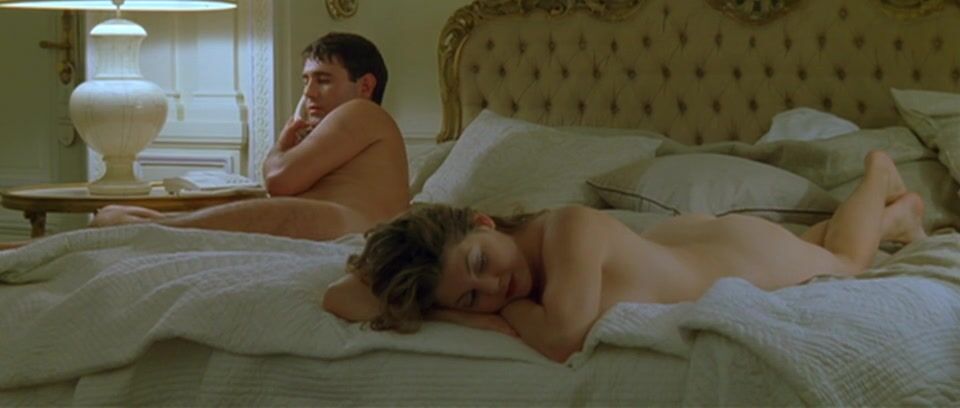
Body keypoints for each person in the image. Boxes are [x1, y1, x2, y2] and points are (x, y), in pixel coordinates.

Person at [323, 150, 928, 363]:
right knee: (814, 246)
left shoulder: (568, 227)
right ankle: (896, 219)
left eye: (482, 264)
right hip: (692, 248)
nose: (496, 288)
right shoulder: (493, 285)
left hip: (742, 258)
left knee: (845, 263)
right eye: (471, 296)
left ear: (484, 221)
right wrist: (447, 305)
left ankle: (878, 174)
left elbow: (563, 340)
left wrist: (478, 313)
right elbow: (339, 297)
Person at [88, 32, 409, 241]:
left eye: (323, 80)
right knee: (250, 206)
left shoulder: (361, 111)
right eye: (306, 80)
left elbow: (279, 180)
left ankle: (149, 229)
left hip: (352, 228)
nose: (309, 92)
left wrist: (281, 145)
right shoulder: (344, 127)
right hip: (335, 223)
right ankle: (154, 225)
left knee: (277, 210)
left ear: (365, 86)